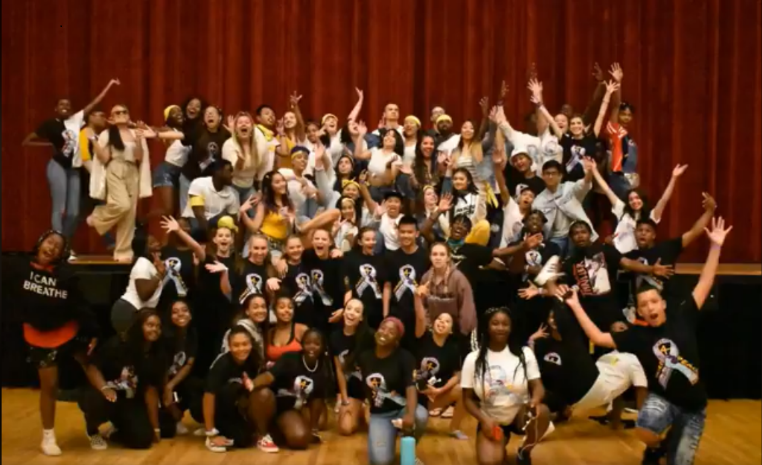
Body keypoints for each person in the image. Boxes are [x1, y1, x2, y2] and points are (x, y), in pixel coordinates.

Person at [560, 215, 732, 465]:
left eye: (654, 302)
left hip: (694, 408)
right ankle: (657, 447)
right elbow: (597, 337)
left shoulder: (683, 315)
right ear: (639, 311)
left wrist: (715, 246)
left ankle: (673, 441)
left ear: (663, 304)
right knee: (644, 427)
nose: (650, 307)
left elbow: (705, 281)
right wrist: (575, 305)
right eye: (643, 305)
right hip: (663, 400)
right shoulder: (636, 336)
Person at [9, 230, 99, 456]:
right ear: (40, 244)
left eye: (57, 247)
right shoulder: (20, 269)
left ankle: (100, 422)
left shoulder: (66, 276)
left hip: (68, 332)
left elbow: (81, 305)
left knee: (92, 369)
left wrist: (93, 332)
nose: (51, 248)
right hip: (39, 336)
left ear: (61, 254)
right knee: (50, 385)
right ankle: (48, 436)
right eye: (49, 243)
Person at [22, 79, 120, 241]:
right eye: (61, 104)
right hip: (57, 166)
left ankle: (63, 243)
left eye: (68, 105)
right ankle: (57, 243)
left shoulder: (76, 119)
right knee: (59, 208)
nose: (65, 107)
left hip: (73, 169)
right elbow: (28, 139)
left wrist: (109, 85)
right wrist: (46, 144)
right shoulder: (50, 124)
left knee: (74, 212)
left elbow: (95, 102)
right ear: (56, 108)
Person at [528, 302, 647, 429]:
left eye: (623, 328)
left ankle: (556, 407)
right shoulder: (609, 354)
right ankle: (554, 409)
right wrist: (614, 419)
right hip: (586, 383)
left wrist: (643, 423)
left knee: (570, 347)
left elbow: (641, 389)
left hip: (592, 385)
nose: (619, 330)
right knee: (552, 365)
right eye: (616, 328)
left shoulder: (634, 360)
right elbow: (618, 391)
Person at [461, 307, 551, 465]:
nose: (500, 328)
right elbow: (467, 399)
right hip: (490, 418)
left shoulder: (524, 353)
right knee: (489, 462)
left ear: (511, 328)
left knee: (542, 412)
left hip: (520, 415)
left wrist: (534, 401)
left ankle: (525, 451)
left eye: (505, 324)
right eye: (495, 323)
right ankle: (501, 440)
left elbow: (538, 386)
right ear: (487, 327)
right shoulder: (473, 359)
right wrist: (483, 420)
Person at [78, 309, 166, 450]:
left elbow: (151, 391)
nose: (155, 329)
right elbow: (92, 367)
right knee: (97, 401)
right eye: (150, 325)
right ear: (139, 325)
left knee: (143, 440)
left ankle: (116, 431)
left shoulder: (155, 353)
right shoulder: (118, 344)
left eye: (158, 326)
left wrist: (155, 428)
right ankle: (92, 430)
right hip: (104, 393)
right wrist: (104, 388)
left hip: (129, 399)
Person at [356, 317, 428, 465]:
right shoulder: (364, 357)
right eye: (382, 328)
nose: (384, 333)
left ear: (397, 339)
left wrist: (409, 414)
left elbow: (411, 387)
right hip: (380, 415)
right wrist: (366, 407)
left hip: (401, 408)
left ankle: (408, 450)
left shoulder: (405, 357)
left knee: (420, 416)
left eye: (391, 332)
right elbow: (364, 387)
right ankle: (388, 436)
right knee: (380, 461)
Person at [87, 104, 153, 262]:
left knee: (129, 214)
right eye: (117, 113)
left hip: (132, 171)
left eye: (124, 111)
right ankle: (97, 217)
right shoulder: (108, 134)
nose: (121, 114)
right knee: (122, 205)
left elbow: (139, 157)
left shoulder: (135, 133)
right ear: (111, 118)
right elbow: (103, 158)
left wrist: (139, 139)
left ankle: (123, 251)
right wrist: (93, 140)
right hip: (115, 169)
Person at [196, 326, 276, 453]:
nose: (241, 349)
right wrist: (211, 433)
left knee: (244, 440)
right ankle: (211, 429)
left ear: (251, 344)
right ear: (229, 346)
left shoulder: (255, 359)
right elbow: (208, 396)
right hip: (220, 410)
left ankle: (259, 432)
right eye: (236, 345)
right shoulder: (221, 364)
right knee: (239, 441)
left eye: (245, 344)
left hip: (239, 409)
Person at [249, 328, 332, 449]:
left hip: (288, 409)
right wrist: (250, 385)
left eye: (317, 344)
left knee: (299, 439)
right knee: (263, 394)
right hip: (272, 402)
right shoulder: (290, 358)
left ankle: (276, 431)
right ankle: (262, 435)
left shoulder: (323, 368)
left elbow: (317, 398)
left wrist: (313, 429)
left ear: (323, 347)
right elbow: (268, 376)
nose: (312, 347)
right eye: (308, 343)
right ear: (302, 344)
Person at [412, 308, 467, 439]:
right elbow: (420, 318)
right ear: (433, 323)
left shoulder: (453, 349)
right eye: (439, 319)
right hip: (412, 393)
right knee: (416, 422)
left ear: (451, 329)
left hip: (434, 396)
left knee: (463, 391)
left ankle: (454, 428)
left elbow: (458, 375)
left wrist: (440, 390)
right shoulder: (423, 338)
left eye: (447, 321)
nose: (442, 322)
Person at [531, 157, 596, 256]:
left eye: (553, 173)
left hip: (576, 233)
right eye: (547, 174)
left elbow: (583, 185)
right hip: (555, 238)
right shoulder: (538, 202)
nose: (550, 176)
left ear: (560, 176)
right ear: (542, 176)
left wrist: (589, 172)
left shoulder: (569, 187)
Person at [383, 216, 430, 350]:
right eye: (402, 232)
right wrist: (385, 314)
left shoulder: (426, 257)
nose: (405, 235)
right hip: (396, 312)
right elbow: (387, 286)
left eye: (409, 232)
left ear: (417, 234)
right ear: (398, 233)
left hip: (418, 314)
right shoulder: (390, 257)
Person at [331, 299, 375, 435]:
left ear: (361, 317)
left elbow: (374, 369)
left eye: (357, 311)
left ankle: (364, 410)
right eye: (349, 309)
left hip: (369, 392)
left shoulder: (370, 337)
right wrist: (344, 399)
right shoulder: (335, 337)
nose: (351, 313)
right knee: (346, 429)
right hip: (351, 393)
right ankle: (357, 411)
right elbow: (339, 370)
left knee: (374, 427)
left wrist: (370, 399)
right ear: (343, 312)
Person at [159, 299, 200, 437]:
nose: (180, 314)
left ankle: (178, 416)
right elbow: (161, 369)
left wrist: (171, 386)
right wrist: (166, 389)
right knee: (166, 431)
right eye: (175, 312)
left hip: (176, 380)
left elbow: (188, 364)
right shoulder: (164, 337)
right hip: (159, 380)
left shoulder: (192, 333)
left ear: (191, 314)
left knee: (194, 386)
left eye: (184, 310)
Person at [111, 234, 165, 336]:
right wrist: (159, 274)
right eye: (152, 243)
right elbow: (143, 294)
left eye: (157, 241)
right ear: (143, 248)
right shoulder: (142, 264)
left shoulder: (148, 264)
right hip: (129, 311)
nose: (158, 244)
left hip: (134, 311)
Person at [343, 227, 388, 329]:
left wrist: (385, 314)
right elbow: (348, 285)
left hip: (376, 309)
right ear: (360, 242)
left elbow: (385, 286)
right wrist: (346, 308)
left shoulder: (382, 260)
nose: (371, 242)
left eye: (373, 239)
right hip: (356, 309)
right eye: (367, 239)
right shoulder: (350, 258)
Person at [181, 159, 240, 236]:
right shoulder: (199, 184)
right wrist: (213, 236)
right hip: (194, 221)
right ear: (218, 172)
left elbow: (234, 221)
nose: (232, 174)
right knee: (184, 224)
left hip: (215, 225)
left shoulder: (231, 195)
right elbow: (199, 216)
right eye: (230, 171)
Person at [266, 294, 309, 364]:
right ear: (274, 311)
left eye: (290, 307)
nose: (287, 310)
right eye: (282, 307)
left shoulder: (301, 330)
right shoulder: (269, 334)